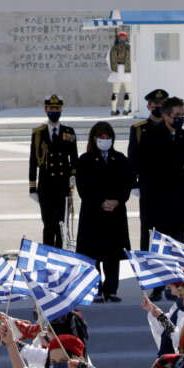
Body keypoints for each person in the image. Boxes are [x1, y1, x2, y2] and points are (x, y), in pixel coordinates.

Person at [75, 121, 132, 302]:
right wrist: (101, 201)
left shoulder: (120, 159)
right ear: (94, 138)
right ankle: (96, 289)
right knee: (93, 254)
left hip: (115, 213)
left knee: (112, 253)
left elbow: (127, 183)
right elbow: (83, 187)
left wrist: (117, 200)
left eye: (108, 137)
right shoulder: (85, 160)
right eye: (101, 137)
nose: (105, 140)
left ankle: (111, 289)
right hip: (93, 213)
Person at [137, 96, 184, 250]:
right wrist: (176, 170)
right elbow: (146, 168)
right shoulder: (150, 136)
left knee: (178, 246)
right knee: (158, 247)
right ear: (165, 116)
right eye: (176, 115)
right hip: (158, 202)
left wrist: (172, 171)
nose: (180, 119)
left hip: (180, 200)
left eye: (182, 115)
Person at [128, 88, 170, 301]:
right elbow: (132, 158)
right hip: (148, 189)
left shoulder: (171, 126)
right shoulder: (138, 129)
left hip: (168, 190)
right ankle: (153, 282)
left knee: (168, 237)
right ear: (148, 106)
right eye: (154, 104)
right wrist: (134, 183)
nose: (157, 107)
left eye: (161, 104)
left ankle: (169, 283)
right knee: (148, 235)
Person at [28, 94, 78, 249]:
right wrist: (32, 187)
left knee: (62, 225)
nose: (54, 111)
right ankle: (48, 256)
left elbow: (74, 159)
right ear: (45, 109)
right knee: (48, 225)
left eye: (57, 108)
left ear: (61, 109)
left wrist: (74, 177)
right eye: (51, 108)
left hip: (63, 186)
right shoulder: (38, 133)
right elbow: (33, 161)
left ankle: (60, 257)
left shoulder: (69, 131)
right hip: (46, 186)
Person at [107, 29, 132, 116]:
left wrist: (112, 70)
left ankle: (113, 110)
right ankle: (126, 110)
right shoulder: (130, 47)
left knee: (115, 93)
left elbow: (108, 60)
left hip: (116, 71)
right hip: (127, 71)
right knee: (128, 92)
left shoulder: (113, 48)